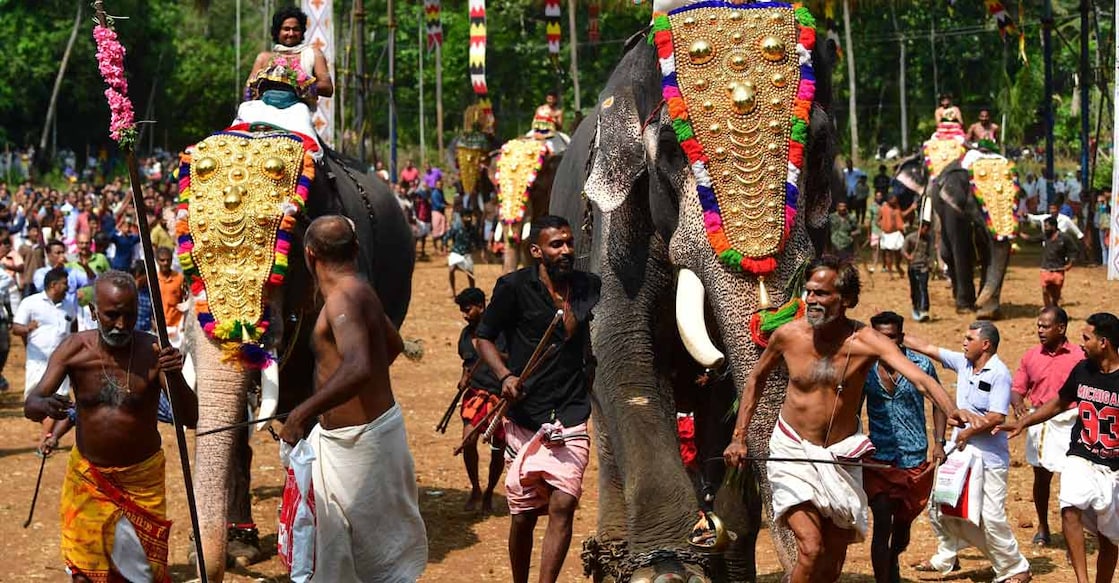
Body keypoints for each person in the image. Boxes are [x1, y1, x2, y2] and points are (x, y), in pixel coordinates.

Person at [723, 257, 967, 583]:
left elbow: (920, 378)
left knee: (832, 560)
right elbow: (755, 379)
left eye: (822, 294)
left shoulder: (866, 342)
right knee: (810, 548)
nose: (812, 300)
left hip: (842, 456)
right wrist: (739, 436)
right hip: (793, 451)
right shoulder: (788, 336)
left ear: (847, 300)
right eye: (810, 292)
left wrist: (950, 409)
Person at [278, 216, 427, 581]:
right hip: (360, 439)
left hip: (361, 446)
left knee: (368, 561)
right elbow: (392, 346)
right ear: (356, 250)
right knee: (346, 556)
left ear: (309, 254)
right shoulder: (361, 290)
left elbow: (360, 366)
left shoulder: (343, 298)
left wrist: (302, 413)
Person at [23, 271, 198, 583]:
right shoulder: (74, 350)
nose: (120, 325)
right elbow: (32, 402)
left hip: (141, 482)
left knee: (140, 576)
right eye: (111, 315)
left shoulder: (153, 352)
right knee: (85, 574)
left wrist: (175, 375)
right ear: (93, 312)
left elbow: (191, 417)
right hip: (89, 478)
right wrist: (43, 406)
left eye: (128, 316)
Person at [475, 215, 600, 583]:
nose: (565, 251)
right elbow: (484, 337)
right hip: (525, 413)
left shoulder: (589, 287)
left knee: (564, 502)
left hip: (571, 409)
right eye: (555, 245)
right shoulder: (513, 287)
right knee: (524, 515)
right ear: (536, 251)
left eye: (568, 242)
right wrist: (506, 376)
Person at [904, 322, 1032, 583]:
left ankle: (1016, 566)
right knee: (940, 505)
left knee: (991, 517)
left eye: (968, 338)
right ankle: (947, 556)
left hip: (989, 459)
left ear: (985, 344)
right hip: (960, 454)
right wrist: (886, 337)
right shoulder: (962, 362)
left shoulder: (999, 373)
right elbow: (927, 348)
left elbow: (997, 417)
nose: (963, 342)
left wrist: (968, 432)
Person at [999, 312, 1119, 583]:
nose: (1081, 342)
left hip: (1114, 468)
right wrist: (1025, 423)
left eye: (1086, 338)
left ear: (1104, 343)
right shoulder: (1082, 369)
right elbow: (1059, 402)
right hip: (1081, 454)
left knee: (1109, 537)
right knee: (1069, 507)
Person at [862, 311, 947, 583]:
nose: (886, 343)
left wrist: (939, 443)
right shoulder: (863, 369)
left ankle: (893, 558)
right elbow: (851, 410)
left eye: (892, 337)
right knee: (882, 523)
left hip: (915, 459)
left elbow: (938, 402)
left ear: (901, 337)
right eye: (880, 337)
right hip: (879, 460)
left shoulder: (921, 365)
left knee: (901, 529)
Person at [1010, 306, 1085, 546]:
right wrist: (1018, 403)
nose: (1040, 330)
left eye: (1045, 326)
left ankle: (1075, 530)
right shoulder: (1031, 356)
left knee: (1073, 478)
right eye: (1038, 325)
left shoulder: (1080, 357)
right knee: (1041, 477)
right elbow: (1018, 387)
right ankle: (1043, 527)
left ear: (1061, 328)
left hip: (1071, 421)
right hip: (1041, 422)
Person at [454, 287, 506, 513]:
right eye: (462, 311)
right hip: (475, 395)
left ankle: (488, 493)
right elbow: (466, 364)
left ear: (481, 306)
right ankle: (475, 488)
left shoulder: (500, 332)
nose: (465, 315)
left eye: (468, 310)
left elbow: (512, 359)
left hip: (499, 396)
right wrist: (463, 379)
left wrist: (490, 352)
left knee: (498, 447)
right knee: (468, 440)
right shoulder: (465, 336)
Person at [14, 267, 77, 434]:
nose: (68, 287)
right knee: (35, 403)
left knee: (59, 400)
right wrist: (28, 328)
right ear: (53, 285)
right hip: (37, 361)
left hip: (61, 363)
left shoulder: (69, 306)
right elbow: (16, 327)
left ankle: (46, 441)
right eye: (64, 284)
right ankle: (49, 438)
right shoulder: (30, 303)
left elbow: (74, 329)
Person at [246, 7, 333, 103]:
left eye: (296, 29)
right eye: (286, 29)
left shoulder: (313, 54)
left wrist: (297, 83)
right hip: (267, 113)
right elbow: (248, 91)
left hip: (299, 111)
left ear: (302, 31)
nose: (291, 34)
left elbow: (327, 88)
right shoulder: (264, 58)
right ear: (277, 31)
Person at [1040, 216, 1075, 307]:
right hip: (1046, 268)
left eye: (1046, 226)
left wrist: (1070, 263)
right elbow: (1031, 239)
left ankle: (1054, 307)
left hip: (1058, 269)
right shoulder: (1045, 236)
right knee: (1045, 290)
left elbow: (1073, 250)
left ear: (1053, 226)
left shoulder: (1065, 238)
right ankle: (1047, 308)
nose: (1045, 228)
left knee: (1055, 292)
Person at [903, 221, 933, 322]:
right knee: (915, 289)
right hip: (913, 267)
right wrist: (908, 256)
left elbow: (930, 252)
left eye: (928, 229)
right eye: (925, 229)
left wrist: (930, 264)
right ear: (920, 227)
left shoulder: (929, 239)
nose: (926, 231)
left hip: (924, 267)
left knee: (923, 288)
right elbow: (903, 250)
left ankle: (924, 310)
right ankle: (915, 307)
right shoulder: (910, 238)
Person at [155, 247, 186, 344]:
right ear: (157, 261)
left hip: (177, 327)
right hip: (159, 326)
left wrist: (183, 325)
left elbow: (185, 302)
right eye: (162, 260)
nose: (165, 263)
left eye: (168, 260)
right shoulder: (153, 280)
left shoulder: (179, 279)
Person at [446, 208, 477, 297]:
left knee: (470, 274)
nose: (469, 218)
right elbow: (447, 236)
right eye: (467, 216)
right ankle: (453, 291)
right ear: (462, 217)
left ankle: (473, 291)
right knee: (451, 269)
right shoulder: (456, 227)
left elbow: (477, 240)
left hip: (467, 253)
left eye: (470, 216)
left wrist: (480, 249)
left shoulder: (472, 229)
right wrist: (444, 247)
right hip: (456, 252)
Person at [877, 194, 907, 279]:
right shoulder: (883, 208)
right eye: (893, 200)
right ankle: (890, 273)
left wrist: (911, 208)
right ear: (889, 200)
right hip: (887, 234)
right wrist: (882, 225)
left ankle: (898, 266)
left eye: (896, 200)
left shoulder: (897, 207)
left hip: (897, 233)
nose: (895, 202)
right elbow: (878, 221)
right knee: (888, 254)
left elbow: (902, 215)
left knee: (899, 253)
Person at [865, 190, 884, 273]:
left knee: (884, 248)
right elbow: (868, 220)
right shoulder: (872, 207)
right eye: (877, 196)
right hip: (875, 229)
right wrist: (868, 233)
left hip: (884, 229)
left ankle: (884, 265)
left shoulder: (885, 205)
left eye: (880, 196)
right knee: (874, 247)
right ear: (875, 197)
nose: (879, 197)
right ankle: (874, 264)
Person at [430, 179, 448, 254]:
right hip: (436, 212)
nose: (440, 186)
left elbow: (443, 201)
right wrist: (446, 206)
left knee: (444, 230)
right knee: (436, 231)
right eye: (438, 184)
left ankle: (443, 247)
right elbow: (437, 204)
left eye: (441, 184)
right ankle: (435, 248)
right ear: (435, 185)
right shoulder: (434, 193)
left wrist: (448, 204)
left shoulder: (441, 192)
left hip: (442, 212)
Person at [1096, 190, 1111, 266]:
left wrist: (1104, 201)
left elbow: (1103, 209)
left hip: (1106, 226)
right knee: (1105, 245)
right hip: (1104, 226)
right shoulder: (1101, 205)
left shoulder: (1107, 205)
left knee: (1106, 245)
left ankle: (1106, 262)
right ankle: (1105, 262)